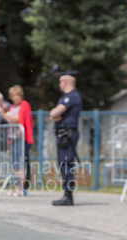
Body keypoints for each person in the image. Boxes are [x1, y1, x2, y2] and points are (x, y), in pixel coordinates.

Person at [50, 70, 81, 206]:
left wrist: (54, 114)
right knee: (63, 164)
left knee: (66, 164)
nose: (59, 84)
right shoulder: (66, 97)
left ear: (66, 82)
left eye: (60, 81)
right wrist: (54, 115)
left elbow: (54, 112)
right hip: (63, 134)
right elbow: (53, 116)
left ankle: (68, 196)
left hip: (67, 135)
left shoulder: (72, 96)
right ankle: (66, 194)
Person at [0, 85, 33, 196]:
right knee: (15, 164)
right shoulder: (12, 107)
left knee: (21, 163)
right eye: (12, 96)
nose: (14, 98)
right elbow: (9, 120)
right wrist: (3, 113)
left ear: (20, 95)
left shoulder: (25, 105)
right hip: (13, 138)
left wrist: (8, 115)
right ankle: (17, 187)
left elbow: (19, 120)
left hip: (22, 138)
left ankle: (21, 188)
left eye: (16, 96)